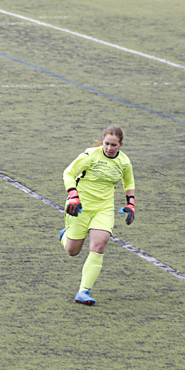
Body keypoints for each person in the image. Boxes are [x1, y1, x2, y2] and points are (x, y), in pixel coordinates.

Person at [60, 125, 135, 306]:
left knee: (99, 245)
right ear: (102, 141)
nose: (109, 148)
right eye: (106, 144)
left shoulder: (124, 162)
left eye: (113, 145)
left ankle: (83, 291)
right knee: (72, 251)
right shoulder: (90, 155)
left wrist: (131, 204)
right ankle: (65, 235)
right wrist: (73, 196)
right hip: (80, 206)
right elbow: (68, 173)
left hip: (104, 209)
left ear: (121, 145)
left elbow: (128, 182)